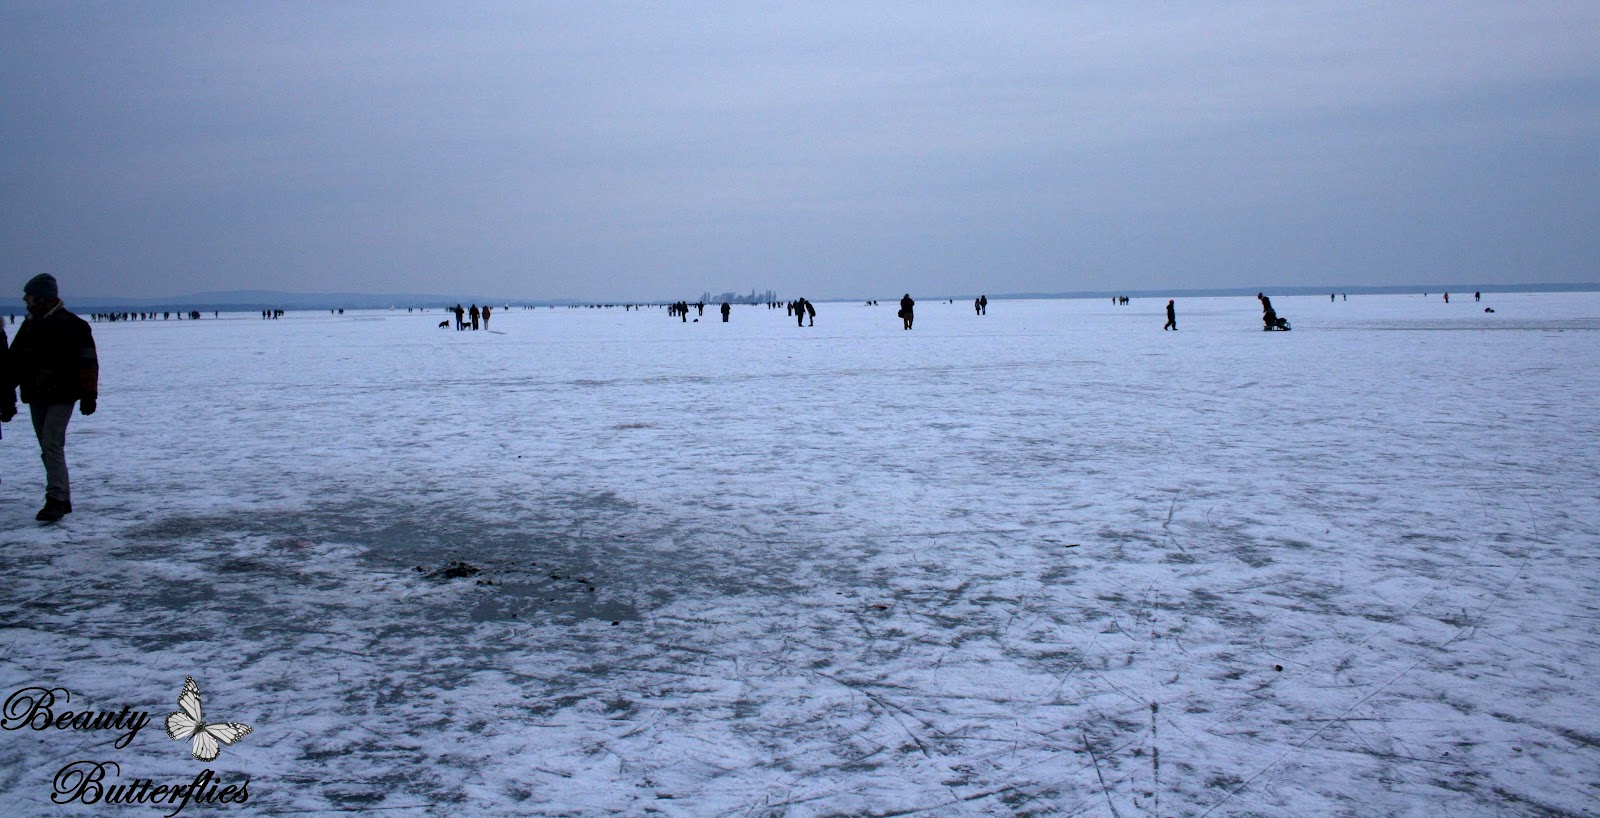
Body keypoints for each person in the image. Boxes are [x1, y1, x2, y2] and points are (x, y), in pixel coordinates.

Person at [4, 274, 98, 522]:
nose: (26, 300)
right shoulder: (29, 326)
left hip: (62, 394)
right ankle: (62, 496)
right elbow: (13, 364)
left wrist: (89, 395)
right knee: (48, 447)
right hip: (36, 395)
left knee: (51, 444)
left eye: (29, 296)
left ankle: (55, 498)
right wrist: (6, 395)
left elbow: (88, 363)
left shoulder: (73, 325)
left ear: (42, 297)